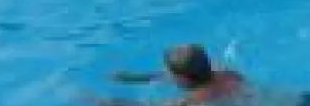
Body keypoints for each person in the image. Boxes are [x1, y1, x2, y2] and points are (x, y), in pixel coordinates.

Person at [91, 44, 246, 106]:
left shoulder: (189, 101)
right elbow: (164, 75)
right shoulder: (228, 74)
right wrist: (133, 78)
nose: (166, 73)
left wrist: (109, 101)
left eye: (169, 72)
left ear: (181, 79)